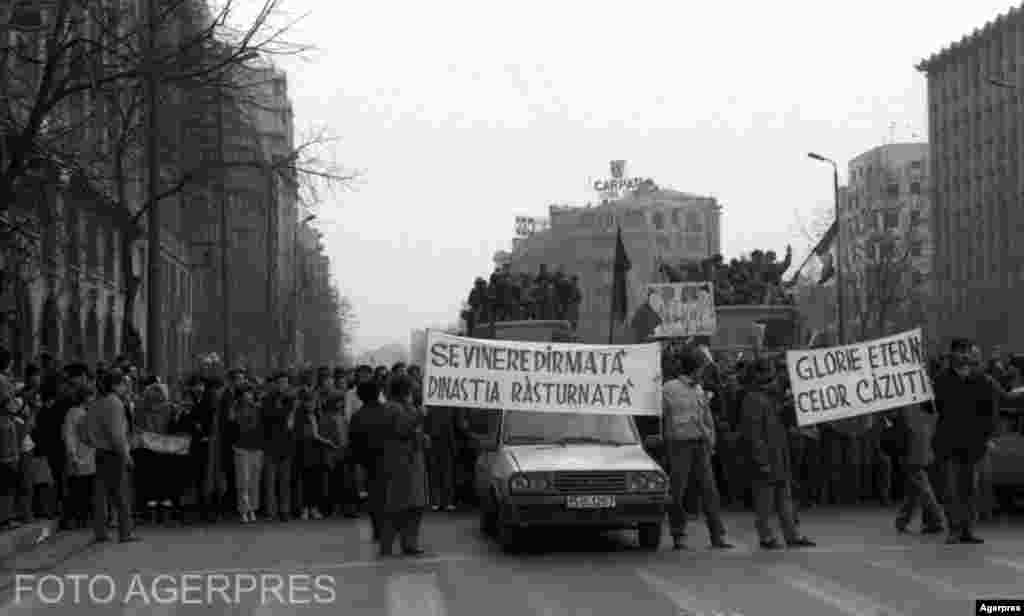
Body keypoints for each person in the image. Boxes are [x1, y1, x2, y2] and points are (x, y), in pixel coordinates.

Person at [740, 358, 814, 550]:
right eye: (770, 374)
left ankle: (792, 535)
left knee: (785, 499)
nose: (774, 378)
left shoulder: (771, 398)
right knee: (765, 501)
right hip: (766, 459)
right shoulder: (753, 399)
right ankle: (766, 537)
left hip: (779, 457)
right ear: (760, 376)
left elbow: (781, 425)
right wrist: (761, 460)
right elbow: (754, 435)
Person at [661, 350, 732, 550]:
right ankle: (678, 535)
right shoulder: (669, 388)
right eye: (701, 368)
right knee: (677, 492)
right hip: (679, 445)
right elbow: (662, 416)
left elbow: (706, 417)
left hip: (700, 445)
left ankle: (717, 536)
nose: (703, 372)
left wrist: (711, 440)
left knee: (710, 491)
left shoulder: (700, 390)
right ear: (693, 369)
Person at [933, 350, 997, 544]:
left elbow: (989, 412)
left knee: (969, 490)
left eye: (966, 366)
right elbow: (931, 407)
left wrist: (986, 436)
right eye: (960, 367)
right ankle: (955, 529)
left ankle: (967, 529)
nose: (964, 370)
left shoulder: (981, 382)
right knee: (951, 489)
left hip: (972, 444)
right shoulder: (942, 381)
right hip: (949, 443)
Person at [85, 370, 139, 543]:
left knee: (100, 494)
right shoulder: (115, 403)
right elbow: (117, 434)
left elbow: (83, 430)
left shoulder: (95, 403)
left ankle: (100, 532)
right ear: (115, 385)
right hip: (114, 453)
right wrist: (126, 454)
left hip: (99, 451)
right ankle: (125, 532)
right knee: (122, 494)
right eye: (123, 384)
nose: (125, 387)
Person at [894, 402, 945, 535]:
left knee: (917, 485)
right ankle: (935, 520)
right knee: (919, 486)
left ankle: (905, 520)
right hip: (919, 445)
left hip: (914, 445)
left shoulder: (908, 403)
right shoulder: (924, 401)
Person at [63, 384, 96, 529]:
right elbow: (69, 436)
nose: (93, 399)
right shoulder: (75, 413)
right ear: (86, 398)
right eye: (91, 396)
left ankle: (82, 518)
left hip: (87, 457)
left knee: (83, 489)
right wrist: (72, 455)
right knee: (78, 489)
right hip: (79, 457)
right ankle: (75, 519)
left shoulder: (83, 412)